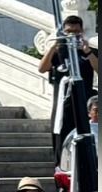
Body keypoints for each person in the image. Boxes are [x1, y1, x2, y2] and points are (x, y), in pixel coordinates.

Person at [38, 15, 98, 157]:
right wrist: (53, 47)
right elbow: (42, 68)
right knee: (61, 140)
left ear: (82, 31)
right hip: (63, 104)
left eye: (76, 31)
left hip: (84, 102)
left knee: (85, 138)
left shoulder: (89, 51)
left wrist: (87, 51)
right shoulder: (59, 52)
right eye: (69, 32)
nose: (72, 35)